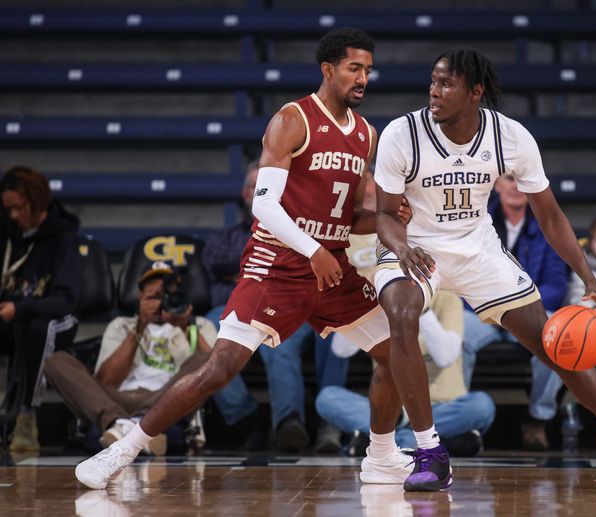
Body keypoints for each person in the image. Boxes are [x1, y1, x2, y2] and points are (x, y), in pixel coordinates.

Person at [76, 27, 412, 489]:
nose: (363, 79)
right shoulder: (292, 120)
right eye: (355, 68)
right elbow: (264, 206)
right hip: (277, 266)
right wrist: (313, 249)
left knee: (395, 353)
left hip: (331, 268)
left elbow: (349, 214)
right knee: (220, 368)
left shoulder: (365, 134)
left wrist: (386, 217)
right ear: (328, 69)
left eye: (369, 71)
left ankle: (381, 456)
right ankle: (122, 449)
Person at [373, 48, 596, 492]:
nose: (434, 91)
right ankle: (430, 452)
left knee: (557, 345)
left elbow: (551, 215)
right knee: (403, 316)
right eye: (432, 81)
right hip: (417, 248)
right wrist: (401, 246)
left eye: (446, 84)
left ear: (476, 92)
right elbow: (385, 214)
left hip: (478, 249)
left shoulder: (510, 136)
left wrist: (591, 279)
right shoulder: (401, 134)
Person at [203, 162, 348, 453]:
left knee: (279, 342)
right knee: (205, 331)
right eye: (258, 188)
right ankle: (247, 417)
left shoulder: (297, 229)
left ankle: (288, 423)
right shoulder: (227, 236)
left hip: (285, 307)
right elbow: (213, 260)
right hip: (230, 309)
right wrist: (265, 267)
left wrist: (257, 269)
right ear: (247, 195)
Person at [317, 247, 495, 457]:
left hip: (443, 407)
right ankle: (430, 439)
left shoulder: (447, 300)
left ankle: (393, 436)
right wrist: (366, 308)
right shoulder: (381, 302)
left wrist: (420, 309)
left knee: (482, 406)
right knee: (327, 398)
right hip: (393, 405)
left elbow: (446, 356)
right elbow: (340, 350)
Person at [44, 263, 217, 455]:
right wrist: (139, 327)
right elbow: (107, 380)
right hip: (116, 400)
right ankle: (122, 424)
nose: (160, 303)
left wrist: (186, 326)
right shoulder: (121, 325)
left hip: (167, 400)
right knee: (56, 361)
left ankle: (126, 428)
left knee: (208, 359)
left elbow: (214, 372)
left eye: (165, 296)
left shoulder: (199, 325)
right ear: (140, 296)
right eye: (153, 296)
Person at [461, 173, 568, 450]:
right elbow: (460, 278)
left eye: (521, 179)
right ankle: (459, 420)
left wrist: (517, 306)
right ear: (496, 185)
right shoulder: (475, 222)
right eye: (509, 179)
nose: (515, 186)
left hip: (529, 311)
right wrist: (495, 305)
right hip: (484, 312)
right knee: (456, 335)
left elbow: (557, 285)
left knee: (558, 340)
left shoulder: (548, 224)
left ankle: (538, 420)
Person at [0, 166, 81, 451]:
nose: (13, 216)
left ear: (36, 200)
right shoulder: (9, 233)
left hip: (57, 319)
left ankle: (27, 415)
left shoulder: (63, 236)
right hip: (13, 314)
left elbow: (64, 301)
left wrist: (20, 307)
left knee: (39, 328)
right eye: (8, 209)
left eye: (19, 208)